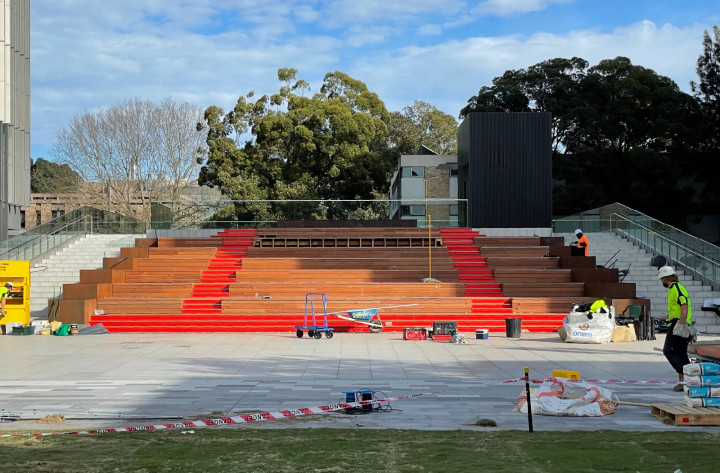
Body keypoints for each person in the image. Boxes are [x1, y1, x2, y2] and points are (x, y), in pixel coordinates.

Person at [658, 266, 693, 391]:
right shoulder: (673, 289)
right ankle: (686, 382)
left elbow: (684, 307)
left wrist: (681, 325)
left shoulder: (676, 288)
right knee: (681, 354)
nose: (661, 282)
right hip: (677, 322)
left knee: (668, 351)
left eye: (662, 279)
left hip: (678, 325)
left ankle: (684, 376)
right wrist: (665, 317)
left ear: (666, 278)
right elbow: (677, 309)